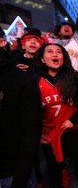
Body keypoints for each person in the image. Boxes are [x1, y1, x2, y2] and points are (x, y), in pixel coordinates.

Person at [34, 43, 78, 188]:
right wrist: (38, 131)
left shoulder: (73, 76)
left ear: (63, 57)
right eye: (50, 52)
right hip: (49, 133)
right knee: (53, 167)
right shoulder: (34, 79)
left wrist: (74, 119)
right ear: (41, 59)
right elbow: (30, 110)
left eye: (59, 52)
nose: (55, 54)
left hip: (73, 129)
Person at [0, 28, 42, 188]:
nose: (33, 43)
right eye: (29, 39)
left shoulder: (44, 64)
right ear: (22, 44)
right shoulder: (15, 63)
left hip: (40, 121)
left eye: (36, 40)